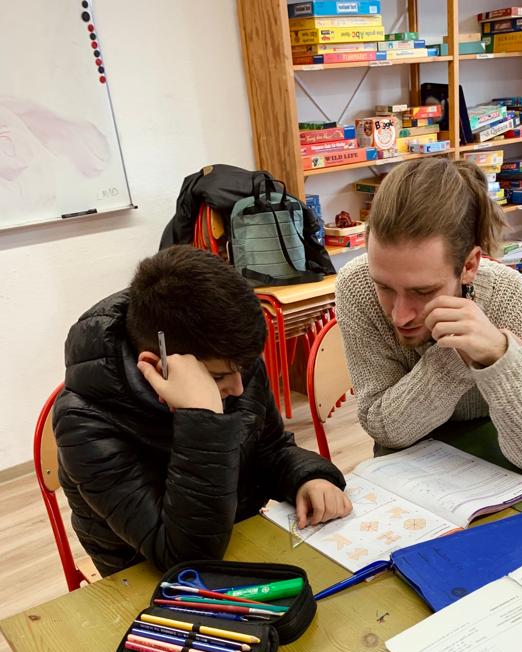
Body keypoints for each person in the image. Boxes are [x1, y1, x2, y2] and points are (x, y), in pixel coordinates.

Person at [54, 245, 351, 577]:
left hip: (234, 536)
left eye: (242, 369)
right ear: (158, 366)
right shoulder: (84, 422)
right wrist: (201, 418)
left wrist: (307, 476)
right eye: (219, 377)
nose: (238, 388)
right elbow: (185, 558)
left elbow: (269, 448)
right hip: (143, 574)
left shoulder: (227, 359)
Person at [334, 158, 522, 477]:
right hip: (405, 478)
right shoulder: (356, 286)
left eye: (423, 291)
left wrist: (498, 357)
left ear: (469, 266)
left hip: (500, 468)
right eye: (384, 287)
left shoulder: (517, 300)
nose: (400, 315)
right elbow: (384, 429)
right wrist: (456, 359)